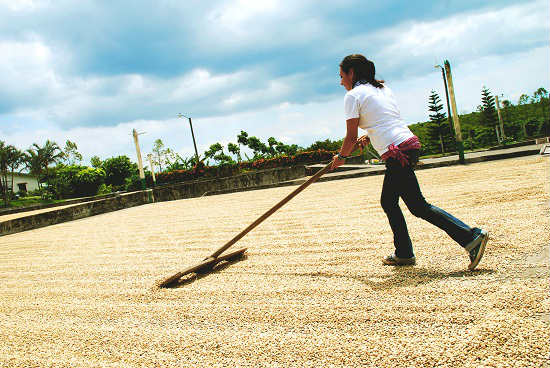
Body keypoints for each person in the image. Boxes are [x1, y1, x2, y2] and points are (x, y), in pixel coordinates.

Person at [331, 54, 488, 270]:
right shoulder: (382, 89)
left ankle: (470, 237)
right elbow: (384, 119)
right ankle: (404, 253)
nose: (341, 82)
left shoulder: (353, 96)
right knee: (391, 202)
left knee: (418, 206)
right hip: (407, 144)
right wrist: (369, 136)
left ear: (351, 73)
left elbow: (349, 137)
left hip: (397, 153)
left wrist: (341, 158)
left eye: (341, 76)